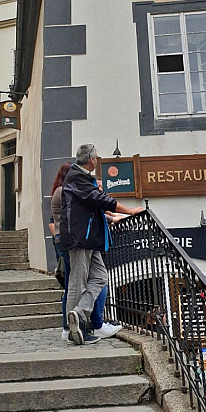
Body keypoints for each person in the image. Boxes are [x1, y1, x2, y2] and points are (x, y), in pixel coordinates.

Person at [59, 143, 141, 345]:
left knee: (101, 277)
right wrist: (129, 211)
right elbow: (98, 199)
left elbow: (94, 204)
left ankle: (78, 315)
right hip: (81, 238)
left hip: (89, 239)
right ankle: (73, 330)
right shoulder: (77, 176)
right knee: (77, 284)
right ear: (92, 159)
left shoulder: (79, 177)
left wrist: (114, 217)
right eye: (97, 156)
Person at [50, 163, 120, 341]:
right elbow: (83, 212)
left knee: (89, 279)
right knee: (77, 282)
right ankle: (77, 326)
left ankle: (78, 319)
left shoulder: (64, 190)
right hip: (78, 240)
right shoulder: (66, 190)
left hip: (75, 239)